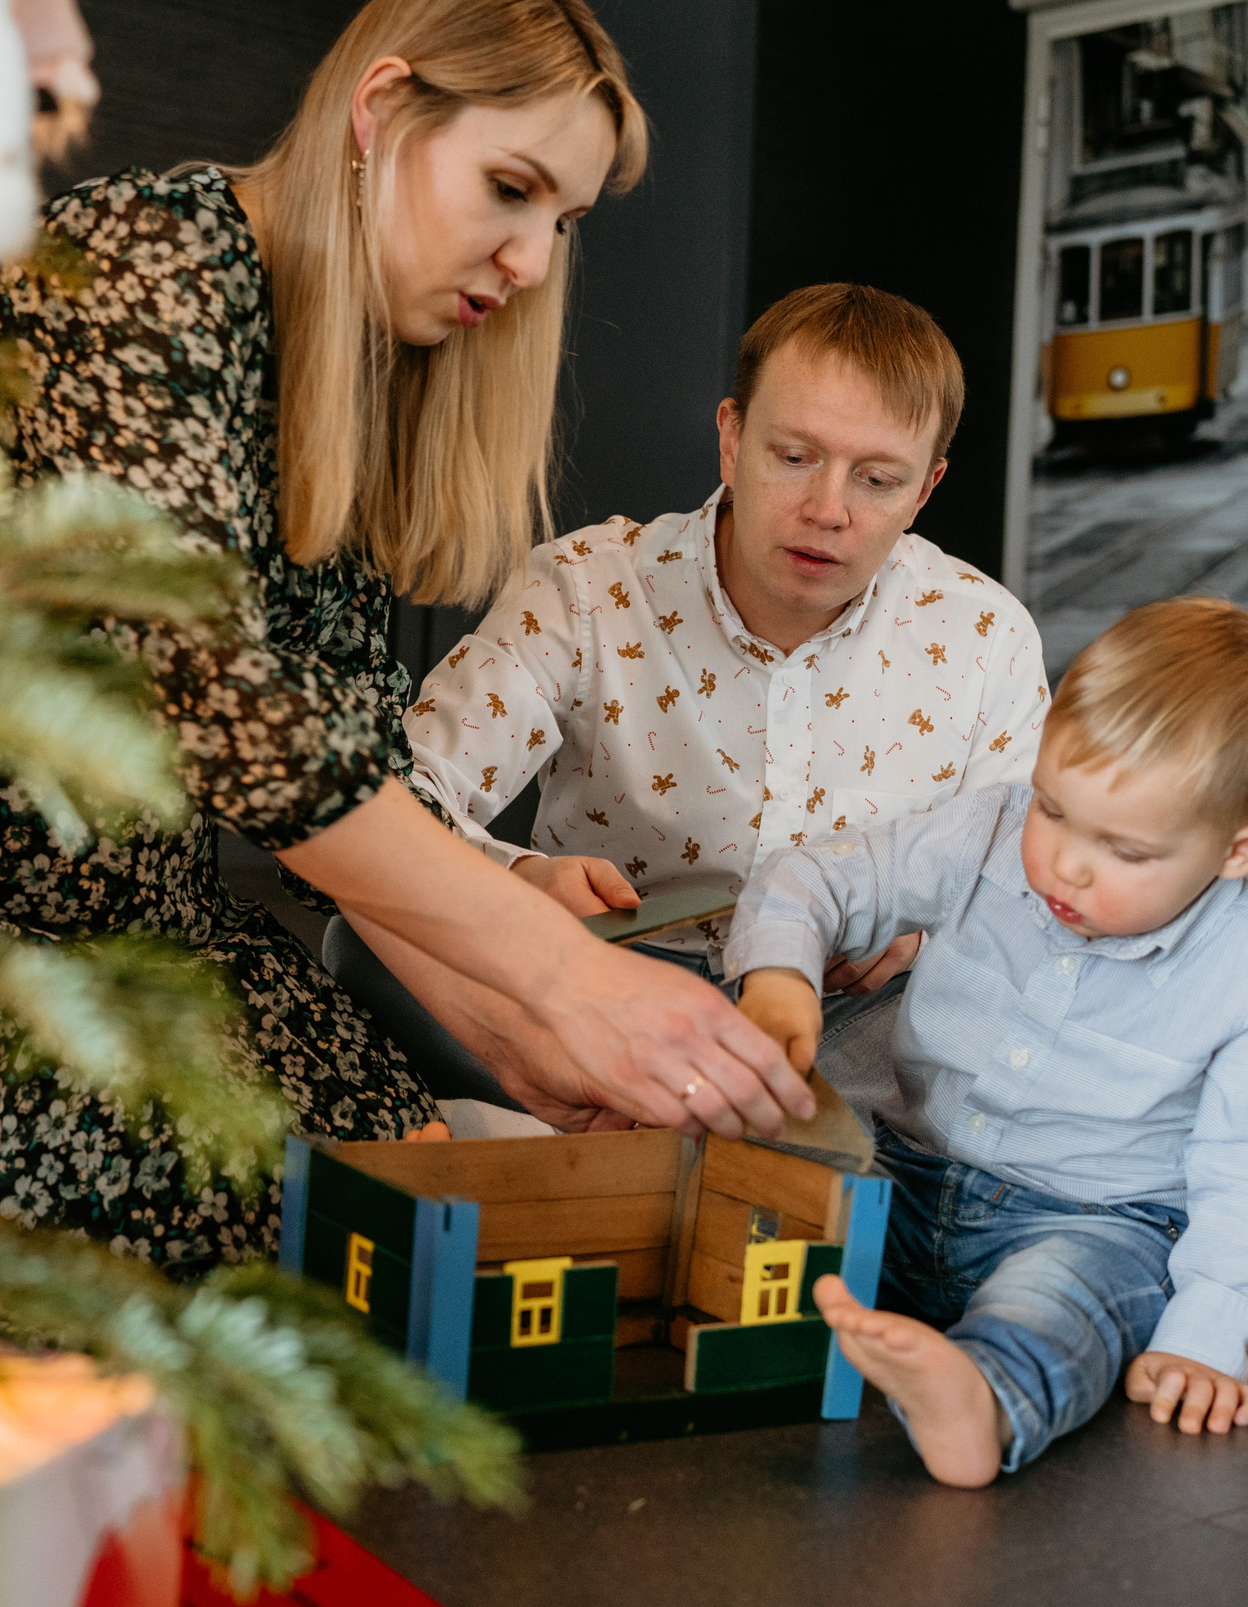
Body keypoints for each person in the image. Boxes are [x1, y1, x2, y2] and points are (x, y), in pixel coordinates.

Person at [0, 0, 815, 1273]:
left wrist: (521, 1031)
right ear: (382, 109)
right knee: (358, 1248)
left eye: (564, 222)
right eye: (511, 189)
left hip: (145, 953)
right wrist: (565, 978)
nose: (532, 261)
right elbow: (224, 706)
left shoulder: (338, 381)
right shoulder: (144, 264)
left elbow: (345, 785)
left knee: (451, 1192)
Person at [332, 285, 1047, 1114]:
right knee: (369, 936)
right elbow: (394, 795)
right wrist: (518, 881)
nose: (828, 510)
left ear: (925, 490)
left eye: (878, 479)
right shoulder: (587, 588)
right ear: (731, 440)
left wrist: (920, 934)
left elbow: (1027, 893)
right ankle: (727, 1129)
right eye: (794, 457)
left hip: (850, 1015)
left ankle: (699, 1127)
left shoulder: (986, 635)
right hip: (601, 982)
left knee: (1001, 1032)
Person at [728, 597, 1248, 1487]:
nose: (1064, 863)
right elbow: (818, 876)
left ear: (1241, 851)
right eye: (1054, 808)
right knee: (768, 1204)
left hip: (1092, 1223)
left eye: (1125, 850)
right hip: (902, 1172)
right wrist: (780, 973)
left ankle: (981, 1394)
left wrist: (1205, 1340)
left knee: (1063, 1305)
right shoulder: (990, 830)